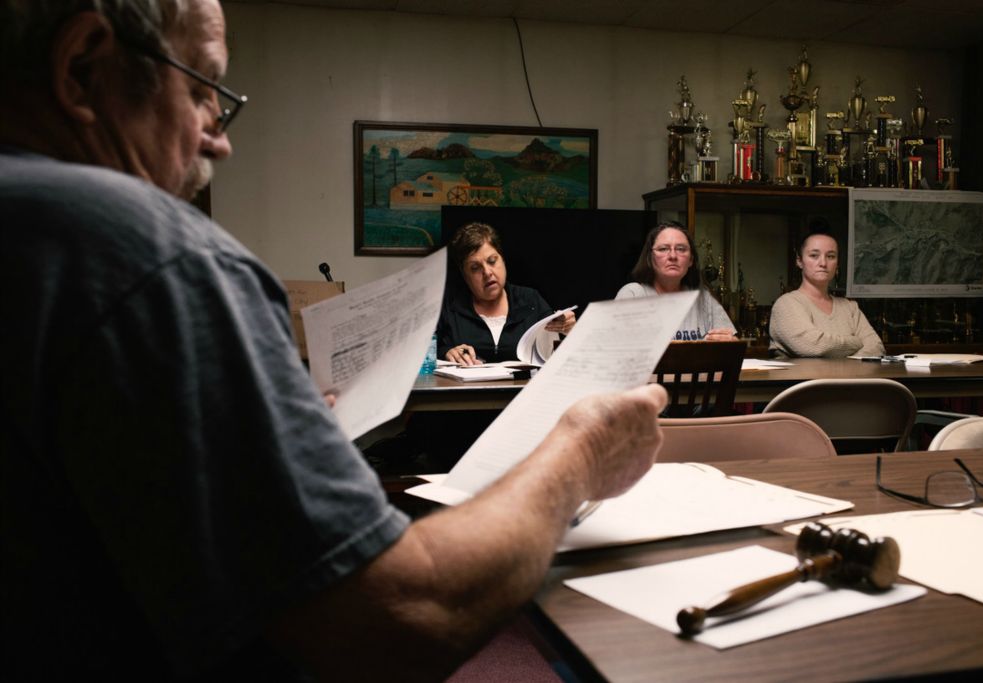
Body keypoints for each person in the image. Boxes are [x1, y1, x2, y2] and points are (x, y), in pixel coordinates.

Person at [0, 2, 669, 680]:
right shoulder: (151, 255)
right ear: (82, 67)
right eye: (202, 88)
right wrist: (583, 449)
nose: (220, 139)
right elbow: (402, 616)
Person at [437, 222, 575, 366]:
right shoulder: (449, 307)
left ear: (502, 259)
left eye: (492, 261)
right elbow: (426, 353)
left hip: (522, 388)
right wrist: (446, 352)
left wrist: (568, 330)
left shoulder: (531, 300)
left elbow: (559, 355)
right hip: (465, 388)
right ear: (464, 275)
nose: (487, 272)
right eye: (475, 268)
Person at [769, 231, 885, 358]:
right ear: (799, 261)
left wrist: (843, 365)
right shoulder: (786, 304)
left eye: (830, 256)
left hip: (853, 378)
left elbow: (876, 347)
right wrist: (856, 342)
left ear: (837, 264)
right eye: (814, 255)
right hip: (806, 378)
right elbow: (815, 346)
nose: (823, 263)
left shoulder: (850, 307)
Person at [615, 221, 737, 341]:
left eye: (681, 249)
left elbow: (734, 346)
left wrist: (731, 343)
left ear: (691, 260)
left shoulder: (703, 299)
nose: (673, 256)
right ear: (650, 258)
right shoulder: (633, 294)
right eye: (663, 249)